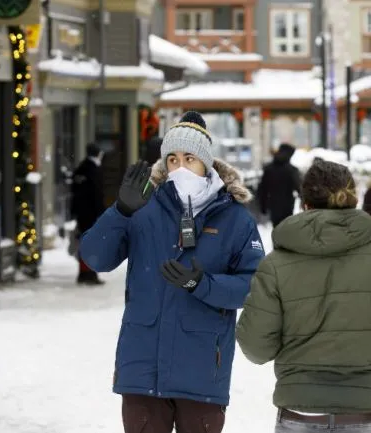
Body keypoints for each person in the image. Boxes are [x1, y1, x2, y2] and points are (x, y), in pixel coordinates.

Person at [79, 111, 265, 433]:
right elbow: (95, 258)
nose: (180, 167)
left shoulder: (235, 218)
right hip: (142, 371)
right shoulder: (141, 209)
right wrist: (120, 212)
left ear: (206, 163)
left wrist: (203, 284)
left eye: (189, 158)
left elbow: (254, 285)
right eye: (173, 159)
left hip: (202, 370)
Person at [235, 159, 371, 433]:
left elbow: (256, 346)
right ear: (354, 198)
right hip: (365, 409)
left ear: (304, 203)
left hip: (300, 410)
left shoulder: (276, 265)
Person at [70, 143, 106, 285]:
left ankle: (84, 272)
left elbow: (75, 191)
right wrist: (101, 213)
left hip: (82, 213)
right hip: (91, 214)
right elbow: (97, 194)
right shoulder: (93, 170)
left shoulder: (81, 168)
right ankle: (89, 273)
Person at [258, 143, 302, 228]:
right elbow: (299, 188)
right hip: (288, 207)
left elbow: (263, 190)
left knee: (276, 231)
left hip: (273, 206)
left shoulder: (268, 169)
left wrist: (263, 207)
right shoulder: (292, 170)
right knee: (287, 232)